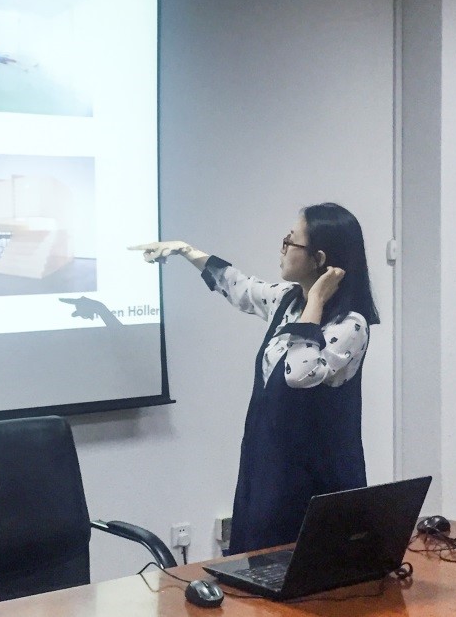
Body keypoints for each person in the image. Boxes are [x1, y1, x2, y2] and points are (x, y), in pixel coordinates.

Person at [129, 202, 379, 554]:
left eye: (290, 241)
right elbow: (240, 287)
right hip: (267, 468)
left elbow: (300, 372)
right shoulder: (286, 300)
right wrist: (186, 250)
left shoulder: (350, 324)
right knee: (254, 565)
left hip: (315, 484)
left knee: (305, 573)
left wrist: (317, 300)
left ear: (319, 259)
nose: (282, 248)